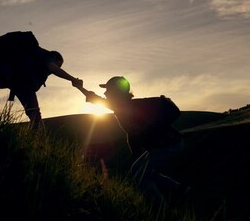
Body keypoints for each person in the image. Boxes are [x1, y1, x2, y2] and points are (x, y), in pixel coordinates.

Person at [75, 76, 187, 209]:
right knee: (137, 170)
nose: (105, 93)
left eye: (108, 90)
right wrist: (79, 87)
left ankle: (163, 212)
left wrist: (153, 127)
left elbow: (172, 109)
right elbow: (95, 99)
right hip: (160, 146)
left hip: (168, 145)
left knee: (143, 180)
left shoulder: (137, 105)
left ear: (116, 93)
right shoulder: (118, 107)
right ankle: (181, 191)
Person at [0, 31, 83, 129]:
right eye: (59, 65)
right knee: (33, 112)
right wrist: (72, 79)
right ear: (56, 58)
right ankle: (38, 141)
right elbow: (52, 67)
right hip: (20, 78)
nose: (58, 68)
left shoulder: (26, 53)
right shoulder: (46, 55)